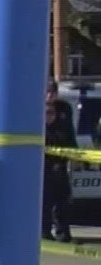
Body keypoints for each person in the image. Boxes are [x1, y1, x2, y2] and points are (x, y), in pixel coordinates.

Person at [46, 84, 77, 244]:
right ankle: (44, 231)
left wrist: (73, 152)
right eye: (48, 93)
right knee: (45, 200)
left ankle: (63, 232)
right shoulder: (36, 107)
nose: (50, 96)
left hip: (60, 162)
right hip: (44, 164)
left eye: (53, 93)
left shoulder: (64, 108)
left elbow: (69, 132)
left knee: (62, 200)